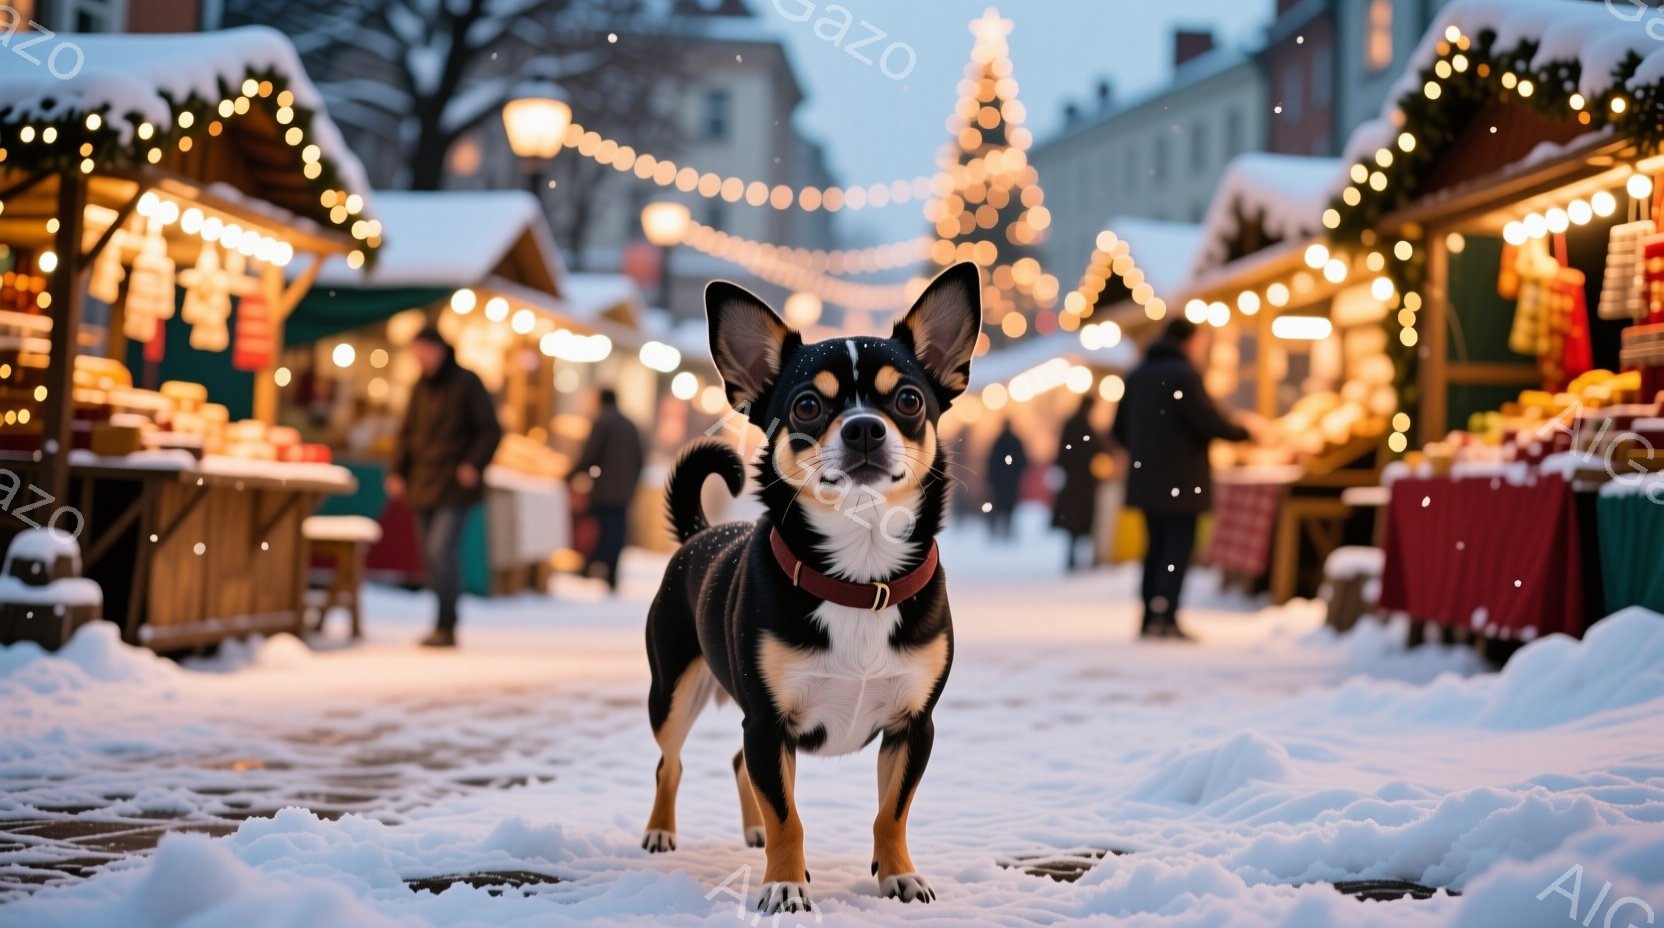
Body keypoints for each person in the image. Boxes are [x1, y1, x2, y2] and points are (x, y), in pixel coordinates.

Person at [1112, 318, 1260, 641]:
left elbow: (1118, 429)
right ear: (1189, 342)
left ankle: (1150, 615)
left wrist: (1145, 454)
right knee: (1177, 548)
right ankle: (1168, 615)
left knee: (1155, 547)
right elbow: (1209, 421)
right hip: (1182, 480)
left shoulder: (1137, 375)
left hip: (1147, 481)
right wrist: (1247, 432)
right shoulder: (1184, 375)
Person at [386, 326, 503, 648]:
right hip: (422, 482)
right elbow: (407, 433)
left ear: (438, 350)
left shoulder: (467, 382)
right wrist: (398, 471)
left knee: (441, 551)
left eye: (423, 352)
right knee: (431, 556)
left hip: (455, 485)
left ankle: (446, 625)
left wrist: (473, 464)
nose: (419, 359)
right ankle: (441, 623)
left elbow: (490, 430)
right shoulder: (419, 388)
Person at [571, 388, 645, 592]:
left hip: (603, 489)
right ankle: (611, 573)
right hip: (623, 492)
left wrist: (573, 474)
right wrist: (631, 484)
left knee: (597, 528)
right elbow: (639, 459)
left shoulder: (602, 422)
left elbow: (591, 455)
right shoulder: (630, 425)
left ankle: (591, 567)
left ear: (601, 400)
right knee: (617, 531)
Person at [1051, 398, 1104, 571]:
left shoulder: (1072, 424)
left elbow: (1063, 451)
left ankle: (1073, 556)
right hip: (1083, 481)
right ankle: (1075, 557)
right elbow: (1094, 448)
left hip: (1073, 480)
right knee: (1079, 519)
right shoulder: (1084, 426)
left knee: (1073, 520)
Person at [985, 419, 1028, 541]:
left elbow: (991, 463)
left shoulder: (998, 441)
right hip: (1011, 482)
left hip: (999, 483)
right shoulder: (1015, 442)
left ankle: (995, 533)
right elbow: (1023, 462)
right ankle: (1007, 533)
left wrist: (992, 479)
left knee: (997, 506)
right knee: (1009, 508)